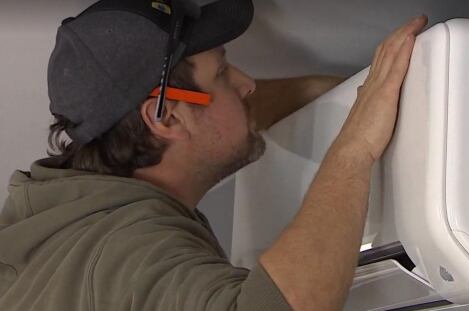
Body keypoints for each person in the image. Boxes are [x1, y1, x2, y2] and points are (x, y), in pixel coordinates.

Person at [0, 0, 428, 310]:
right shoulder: (125, 251)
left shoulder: (56, 220)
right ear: (164, 116)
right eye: (223, 73)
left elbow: (216, 122)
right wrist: (354, 145)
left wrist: (343, 95)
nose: (247, 84)